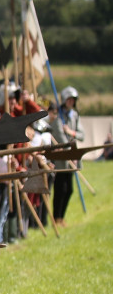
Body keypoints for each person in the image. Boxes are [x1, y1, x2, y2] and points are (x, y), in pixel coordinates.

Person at [51, 89, 85, 225]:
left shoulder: (75, 115)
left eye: (73, 100)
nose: (71, 102)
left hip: (73, 157)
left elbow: (82, 135)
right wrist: (69, 149)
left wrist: (71, 132)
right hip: (61, 158)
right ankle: (56, 217)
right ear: (65, 99)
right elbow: (60, 136)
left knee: (69, 190)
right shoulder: (58, 116)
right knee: (60, 188)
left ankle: (61, 217)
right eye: (69, 99)